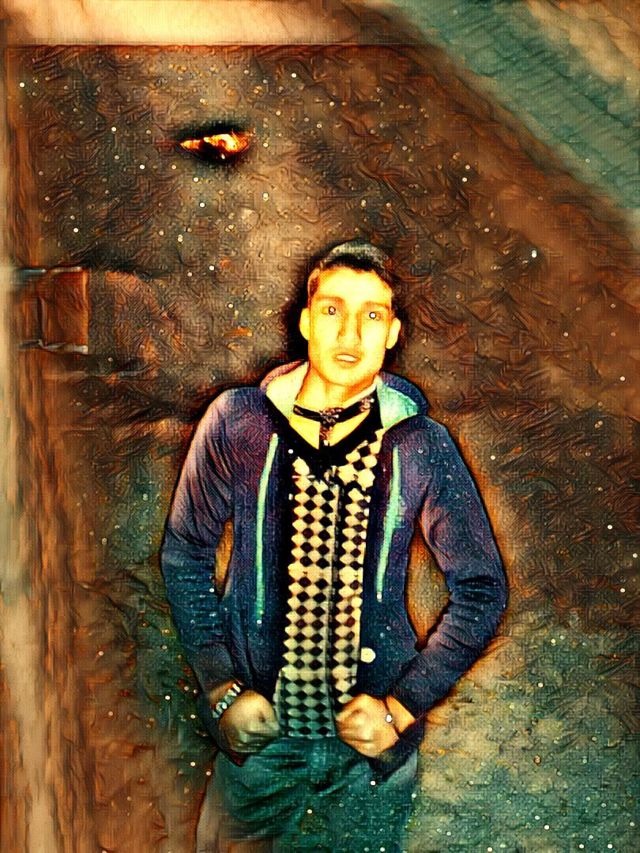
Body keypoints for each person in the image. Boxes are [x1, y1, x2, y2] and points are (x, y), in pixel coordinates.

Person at [160, 241, 508, 852]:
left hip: (369, 754)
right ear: (305, 321)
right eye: (332, 310)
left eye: (372, 314)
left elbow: (481, 589)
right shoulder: (239, 421)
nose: (350, 333)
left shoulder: (421, 443)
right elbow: (186, 552)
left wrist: (402, 707)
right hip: (260, 741)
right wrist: (220, 686)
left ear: (392, 333)